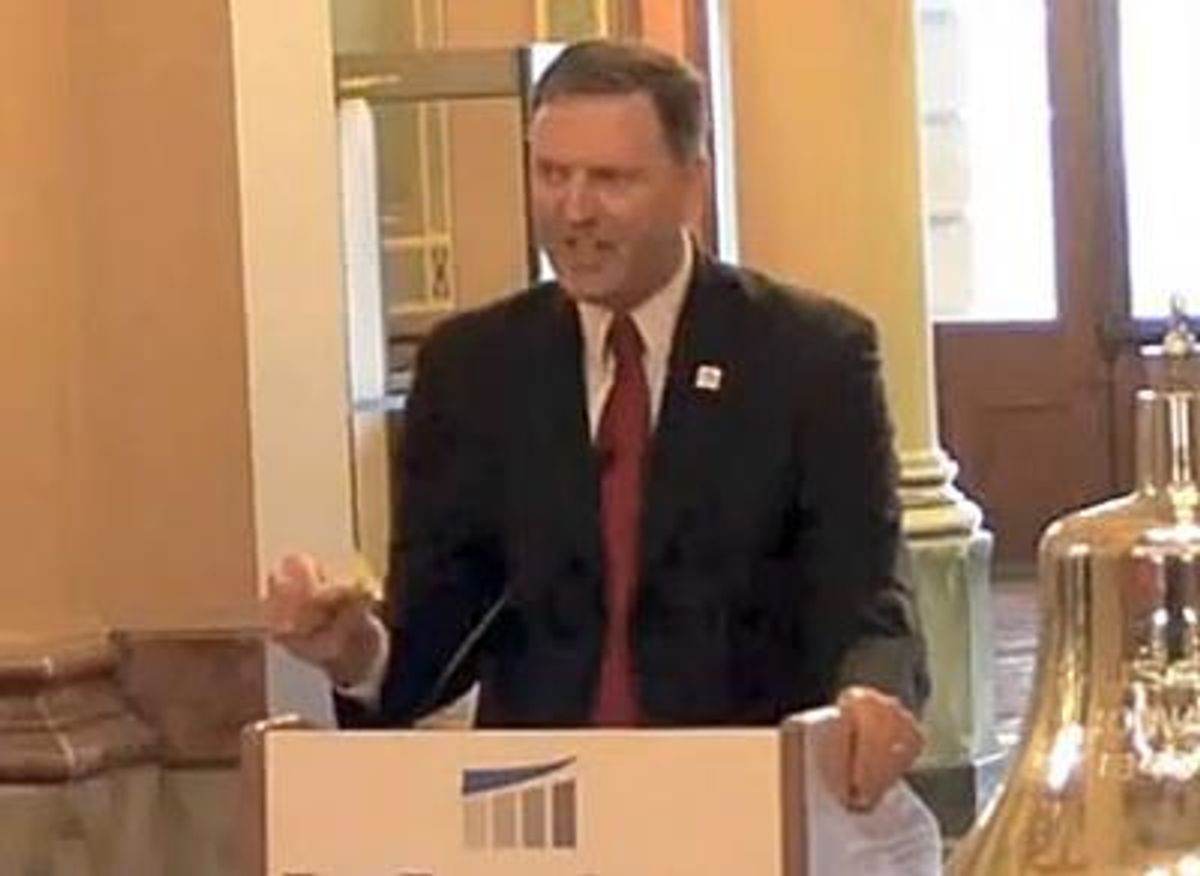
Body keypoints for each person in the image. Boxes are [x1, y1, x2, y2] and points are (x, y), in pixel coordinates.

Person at [267, 38, 929, 812]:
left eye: (611, 179)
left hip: (744, 807)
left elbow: (869, 600)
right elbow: (433, 649)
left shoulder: (811, 358)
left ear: (691, 188)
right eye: (552, 174)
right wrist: (354, 652)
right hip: (539, 816)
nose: (575, 210)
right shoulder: (472, 368)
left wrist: (872, 698)